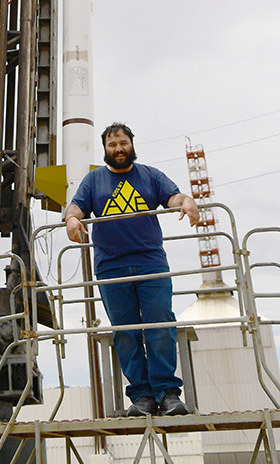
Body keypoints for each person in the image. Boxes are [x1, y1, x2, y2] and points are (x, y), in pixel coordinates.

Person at [63, 122, 200, 417]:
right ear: (105, 150)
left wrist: (186, 201)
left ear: (132, 144)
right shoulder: (94, 181)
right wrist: (71, 220)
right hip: (111, 267)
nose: (118, 149)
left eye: (122, 143)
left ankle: (168, 393)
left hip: (151, 262)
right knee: (125, 332)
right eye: (112, 145)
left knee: (160, 324)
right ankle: (141, 397)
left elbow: (172, 198)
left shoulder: (150, 176)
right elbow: (75, 208)